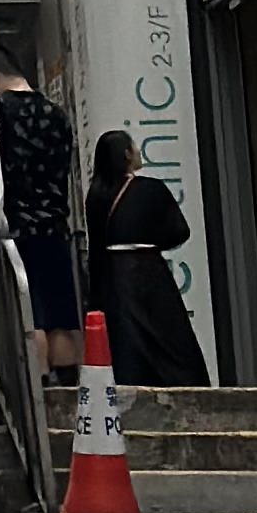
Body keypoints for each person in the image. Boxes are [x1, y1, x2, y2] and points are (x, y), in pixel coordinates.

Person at [0, 46, 83, 375]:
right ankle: (68, 389)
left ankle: (39, 393)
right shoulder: (57, 115)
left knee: (30, 316)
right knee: (59, 319)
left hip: (14, 231)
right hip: (54, 227)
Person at [83, 130, 211, 387]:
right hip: (147, 272)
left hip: (110, 277)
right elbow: (179, 231)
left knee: (125, 343)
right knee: (166, 338)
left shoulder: (95, 196)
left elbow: (95, 246)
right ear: (127, 155)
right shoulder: (151, 189)